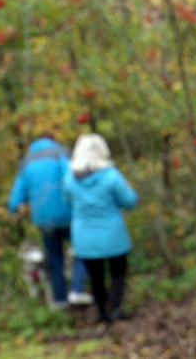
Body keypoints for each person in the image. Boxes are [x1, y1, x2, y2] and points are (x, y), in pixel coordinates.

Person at [8, 132, 93, 308]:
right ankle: (77, 289)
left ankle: (60, 300)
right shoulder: (61, 153)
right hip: (68, 213)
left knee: (55, 259)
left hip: (43, 219)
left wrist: (14, 208)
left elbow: (16, 196)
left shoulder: (27, 162)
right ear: (53, 140)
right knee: (83, 249)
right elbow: (72, 178)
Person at [63, 133, 138, 323]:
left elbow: (67, 202)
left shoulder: (70, 179)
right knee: (118, 273)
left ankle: (102, 313)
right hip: (112, 235)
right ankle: (115, 307)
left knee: (95, 276)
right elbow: (129, 201)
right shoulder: (111, 176)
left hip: (84, 237)